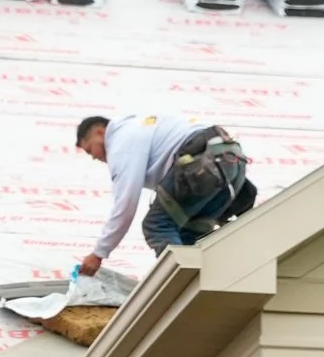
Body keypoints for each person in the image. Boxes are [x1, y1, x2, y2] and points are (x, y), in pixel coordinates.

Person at [75, 113, 259, 276]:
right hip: (231, 164)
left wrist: (99, 253)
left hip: (205, 166)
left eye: (90, 150)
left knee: (157, 225)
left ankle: (180, 285)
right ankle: (199, 285)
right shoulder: (139, 128)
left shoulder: (120, 143)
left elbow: (126, 204)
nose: (93, 157)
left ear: (100, 132)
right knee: (186, 232)